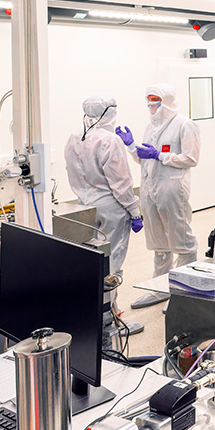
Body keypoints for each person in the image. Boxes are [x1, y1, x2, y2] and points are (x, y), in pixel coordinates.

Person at [64, 95, 144, 337]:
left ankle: (105, 313)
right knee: (112, 267)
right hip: (112, 207)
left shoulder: (74, 136)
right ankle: (110, 323)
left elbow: (71, 171)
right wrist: (134, 210)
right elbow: (121, 183)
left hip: (84, 207)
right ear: (110, 112)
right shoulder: (110, 141)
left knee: (92, 263)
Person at [116, 84, 200, 309]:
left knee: (181, 240)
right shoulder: (150, 127)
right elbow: (144, 159)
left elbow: (191, 158)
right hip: (150, 190)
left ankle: (184, 291)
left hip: (172, 190)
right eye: (149, 100)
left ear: (167, 101)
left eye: (156, 100)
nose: (151, 104)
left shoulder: (184, 124)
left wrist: (159, 155)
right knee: (159, 244)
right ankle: (159, 288)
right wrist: (131, 145)